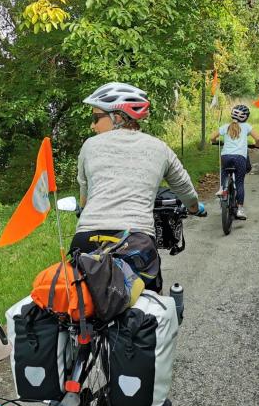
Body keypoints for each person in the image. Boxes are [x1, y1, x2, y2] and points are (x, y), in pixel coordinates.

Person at [71, 81, 205, 294]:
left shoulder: (89, 146)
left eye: (96, 118)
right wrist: (194, 208)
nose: (92, 126)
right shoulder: (159, 148)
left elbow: (84, 200)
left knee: (81, 304)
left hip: (87, 241)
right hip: (136, 242)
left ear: (117, 117)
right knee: (149, 303)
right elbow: (185, 188)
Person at [209, 104, 259, 220]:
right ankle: (240, 210)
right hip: (240, 158)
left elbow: (212, 137)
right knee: (239, 183)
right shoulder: (247, 126)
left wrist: (215, 141)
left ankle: (223, 189)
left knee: (224, 172)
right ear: (246, 117)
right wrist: (257, 146)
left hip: (226, 156)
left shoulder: (226, 126)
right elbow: (258, 138)